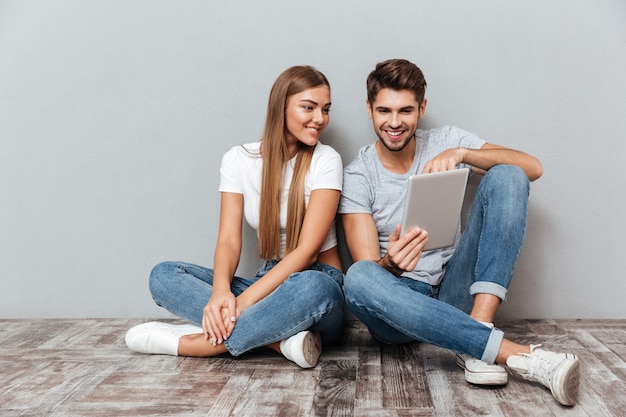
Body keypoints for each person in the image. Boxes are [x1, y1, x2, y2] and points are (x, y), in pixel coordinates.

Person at [339, 58, 580, 406]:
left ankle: (478, 331)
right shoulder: (359, 175)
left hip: (454, 289)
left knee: (508, 174)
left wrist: (463, 153)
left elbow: (533, 167)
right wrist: (391, 264)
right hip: (399, 306)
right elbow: (367, 271)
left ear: (422, 108)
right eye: (384, 111)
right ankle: (515, 354)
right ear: (369, 110)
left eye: (405, 110)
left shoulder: (446, 140)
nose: (394, 123)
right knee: (359, 276)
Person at [125, 65, 345, 368]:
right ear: (280, 107)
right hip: (267, 281)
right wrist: (220, 294)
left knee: (313, 288)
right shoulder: (238, 159)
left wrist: (239, 305)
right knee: (162, 275)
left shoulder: (327, 160)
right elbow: (228, 240)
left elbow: (307, 253)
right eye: (308, 107)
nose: (319, 119)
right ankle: (280, 342)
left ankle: (196, 344)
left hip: (317, 282)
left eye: (325, 109)